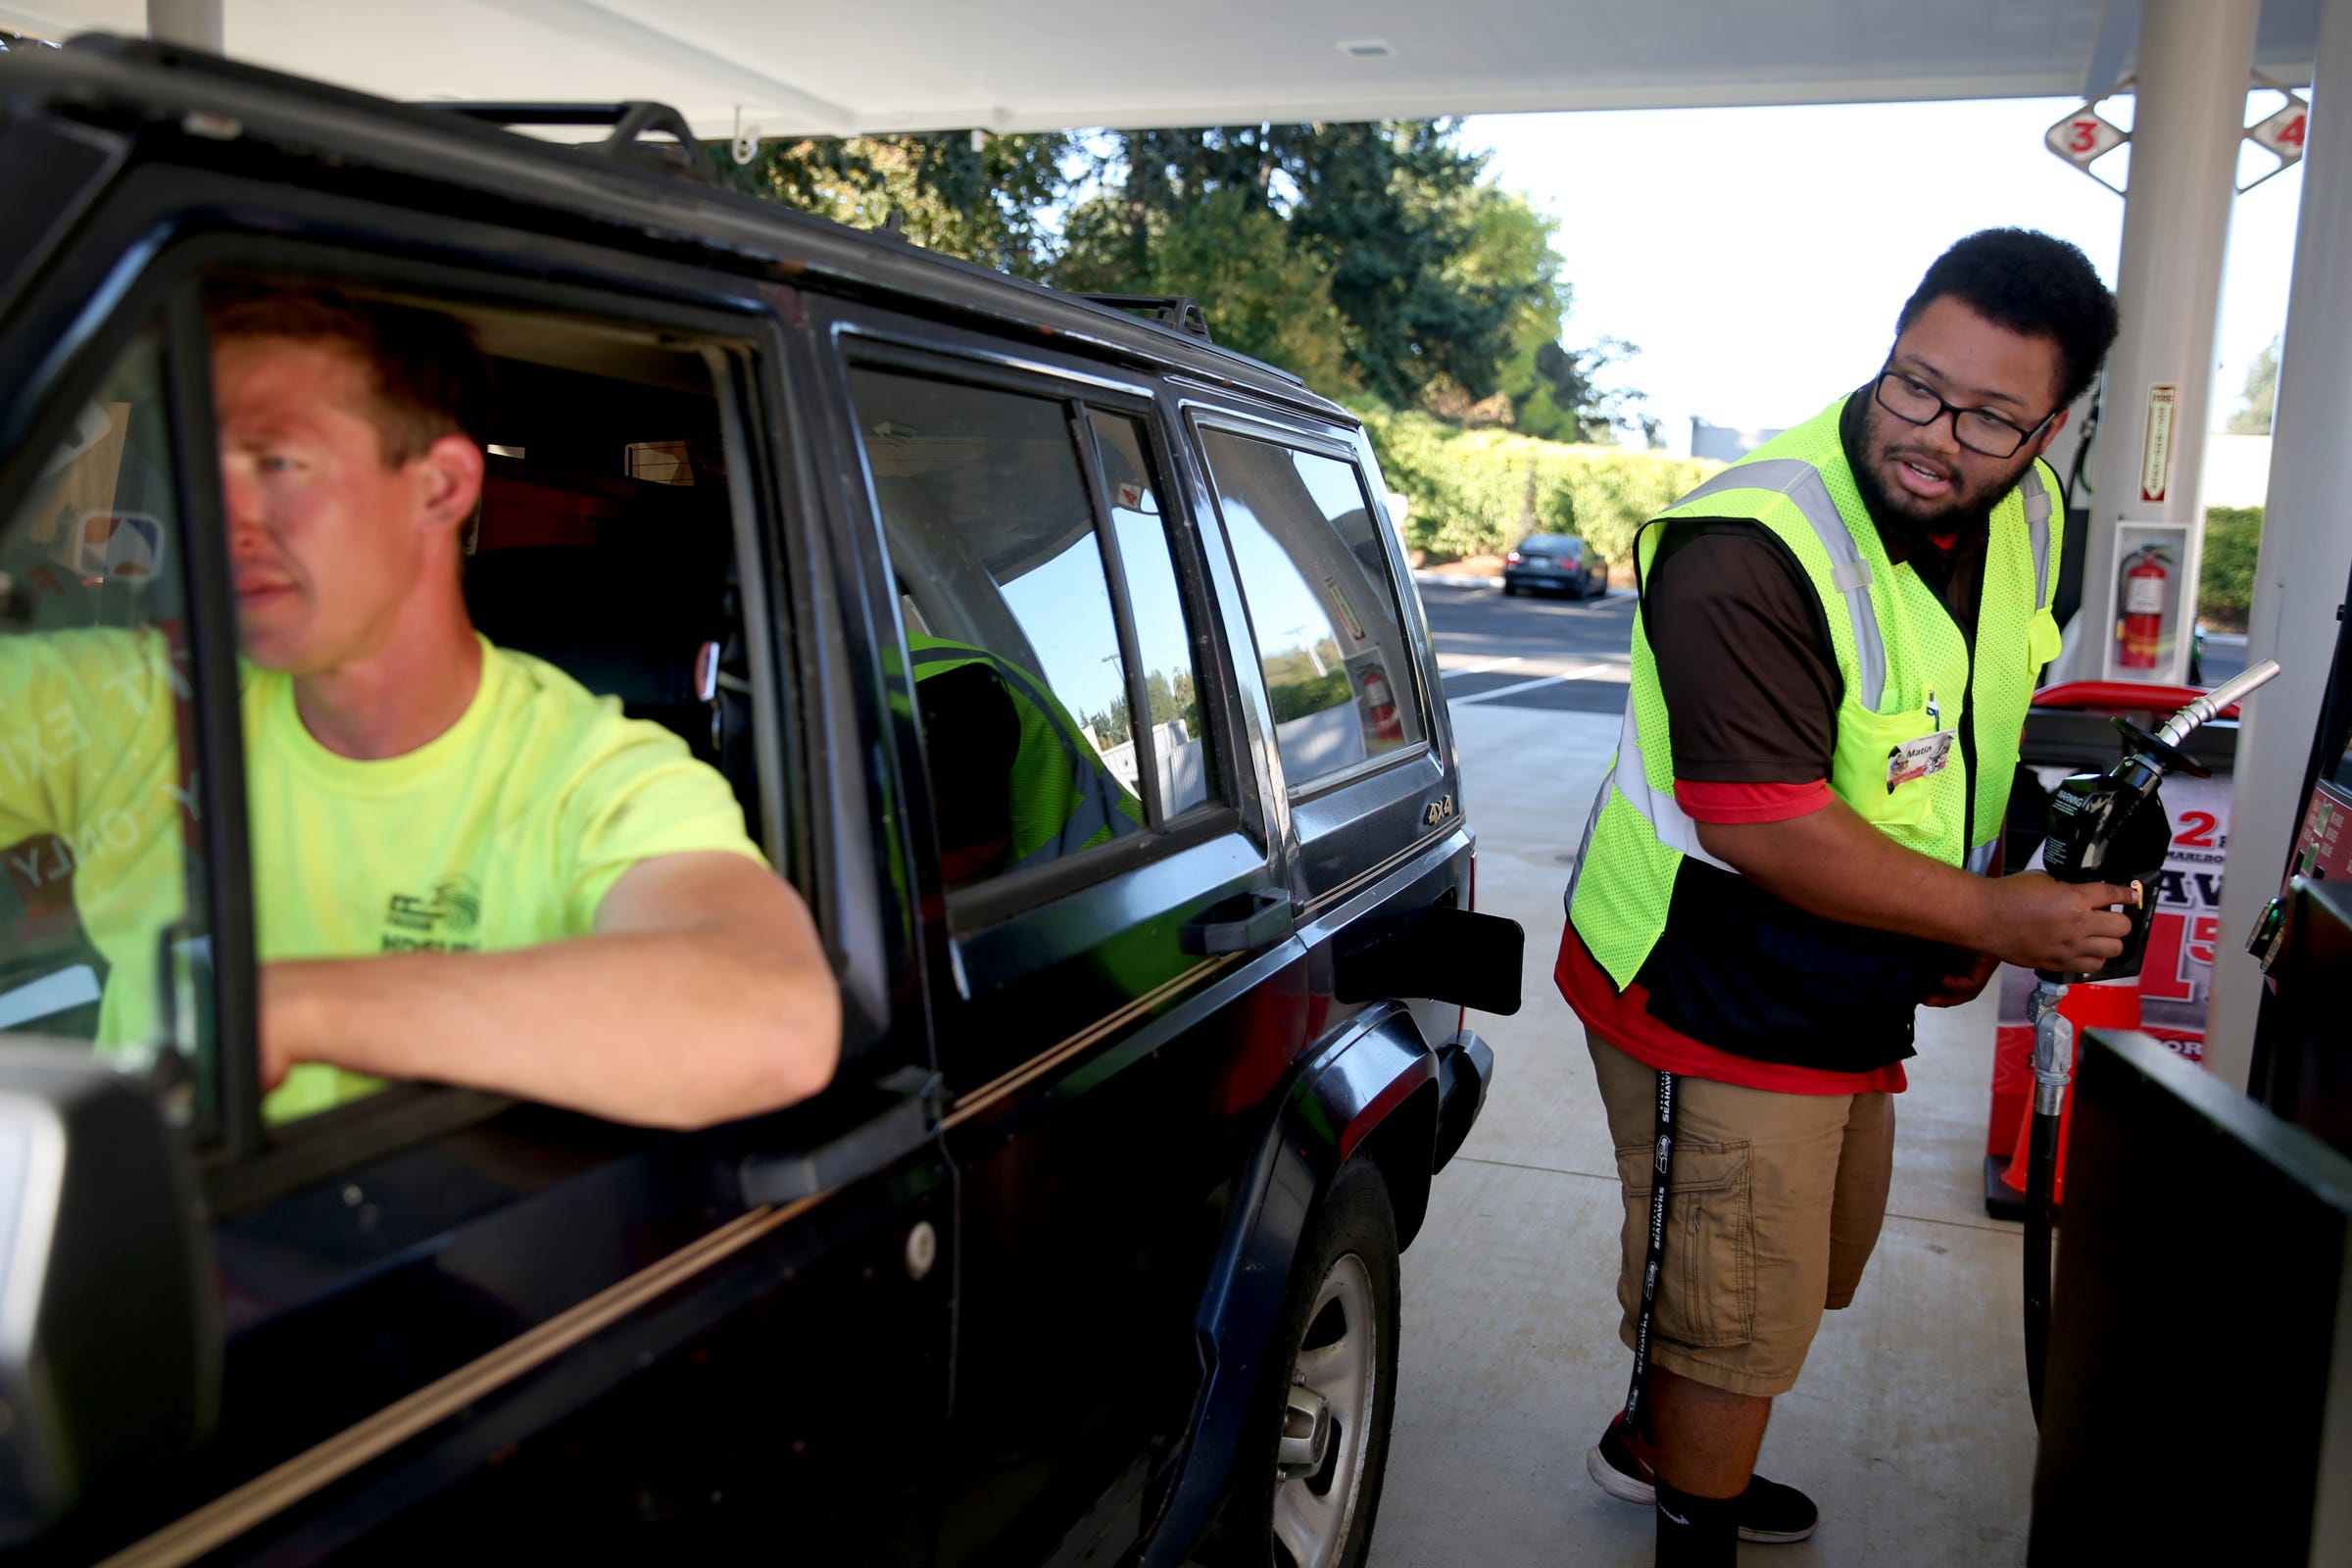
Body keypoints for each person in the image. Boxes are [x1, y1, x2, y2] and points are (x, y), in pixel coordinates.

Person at [1556, 230, 2130, 1565]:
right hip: (1711, 970)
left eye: (1991, 415)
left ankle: (1675, 1436)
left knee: (1809, 1260)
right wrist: (1991, 920)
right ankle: (1692, 1510)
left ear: (2053, 426)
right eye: (1915, 385)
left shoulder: (2028, 513)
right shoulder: (1747, 547)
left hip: (1847, 975)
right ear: (1888, 350)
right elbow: (1766, 829)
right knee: (1737, 1300)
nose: (1936, 435)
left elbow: (1970, 714)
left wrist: (1979, 889)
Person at [0, 287, 838, 1128]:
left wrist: (285, 1007)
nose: (222, 519)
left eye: (278, 463)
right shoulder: (142, 699)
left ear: (440, 488)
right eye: (197, 469)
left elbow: (774, 1016)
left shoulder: (591, 778)